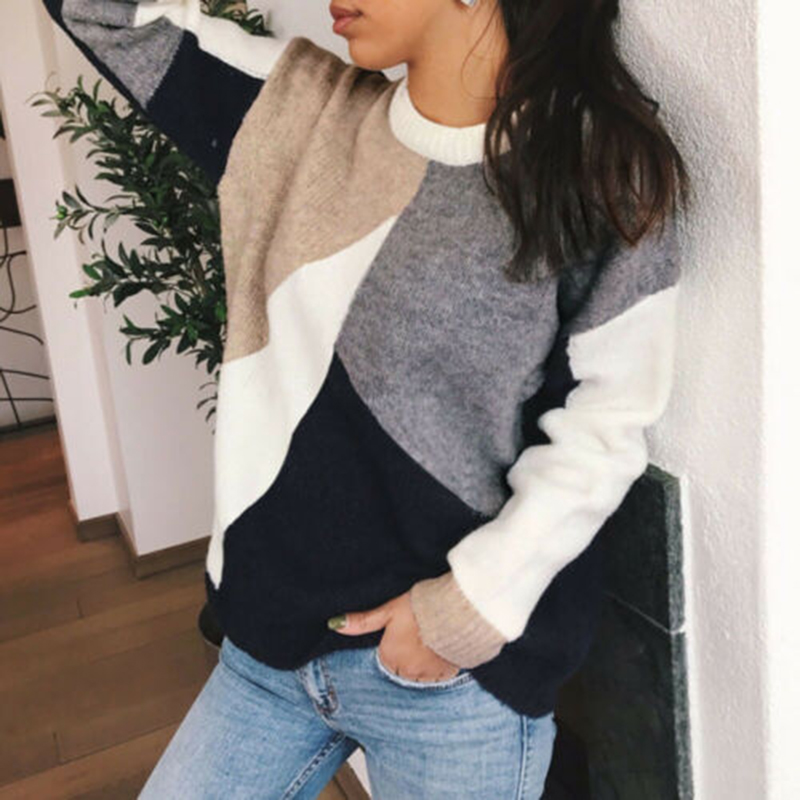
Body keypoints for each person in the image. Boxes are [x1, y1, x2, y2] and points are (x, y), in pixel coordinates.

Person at [41, 0, 692, 797]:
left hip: (450, 683)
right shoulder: (295, 112)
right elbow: (98, 13)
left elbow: (605, 424)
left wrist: (464, 611)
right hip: (267, 652)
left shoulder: (599, 169)